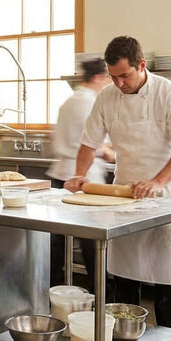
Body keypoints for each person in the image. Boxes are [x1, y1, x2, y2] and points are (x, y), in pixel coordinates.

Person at [65, 36, 171, 341]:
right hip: (124, 195)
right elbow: (88, 142)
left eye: (124, 76)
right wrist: (80, 176)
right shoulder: (108, 97)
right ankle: (129, 339)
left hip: (165, 197)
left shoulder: (169, 93)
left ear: (142, 66)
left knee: (169, 275)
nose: (118, 83)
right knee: (125, 272)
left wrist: (157, 182)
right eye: (113, 77)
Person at [47, 56, 113, 289]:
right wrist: (114, 155)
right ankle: (100, 293)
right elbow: (97, 146)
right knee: (93, 241)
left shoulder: (68, 102)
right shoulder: (91, 103)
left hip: (60, 176)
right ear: (98, 77)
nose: (109, 83)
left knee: (57, 239)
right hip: (85, 178)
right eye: (107, 78)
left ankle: (52, 287)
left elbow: (56, 136)